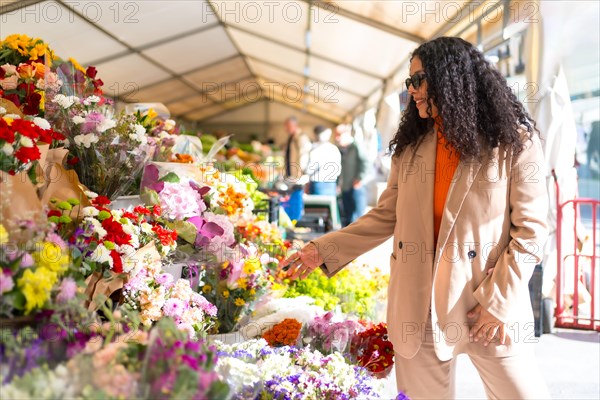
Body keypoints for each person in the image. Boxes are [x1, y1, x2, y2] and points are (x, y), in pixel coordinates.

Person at [280, 37, 550, 399]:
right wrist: (323, 249)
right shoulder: (411, 149)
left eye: (419, 79)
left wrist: (496, 302)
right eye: (410, 82)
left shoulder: (512, 143)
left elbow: (531, 232)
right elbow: (384, 216)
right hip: (418, 307)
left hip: (487, 305)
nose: (413, 90)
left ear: (451, 78)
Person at [335, 123, 369, 226]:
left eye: (339, 135)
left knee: (357, 217)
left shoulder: (357, 146)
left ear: (346, 134)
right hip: (345, 187)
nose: (337, 138)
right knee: (347, 216)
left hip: (356, 187)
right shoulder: (341, 149)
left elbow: (366, 162)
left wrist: (359, 178)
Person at [306, 125, 342, 196]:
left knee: (317, 206)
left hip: (317, 183)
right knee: (329, 205)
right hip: (331, 183)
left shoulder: (315, 149)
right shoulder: (334, 148)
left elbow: (310, 169)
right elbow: (338, 170)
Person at [283, 116, 312, 180]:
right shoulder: (292, 137)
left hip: (298, 175)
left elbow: (304, 156)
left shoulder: (301, 137)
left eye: (288, 126)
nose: (286, 128)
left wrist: (300, 173)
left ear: (295, 125)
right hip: (291, 173)